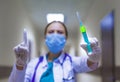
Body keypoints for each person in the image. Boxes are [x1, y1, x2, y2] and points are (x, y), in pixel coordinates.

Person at [9, 21, 101, 82]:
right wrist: (20, 65)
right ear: (45, 37)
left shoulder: (71, 61)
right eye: (51, 31)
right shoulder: (34, 64)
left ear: (66, 38)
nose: (55, 35)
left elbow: (88, 64)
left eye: (60, 32)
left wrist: (93, 58)